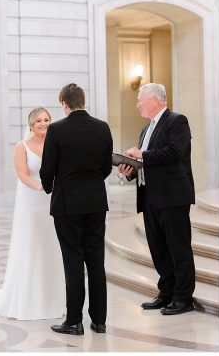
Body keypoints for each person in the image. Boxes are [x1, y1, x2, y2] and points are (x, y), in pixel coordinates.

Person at [39, 83, 113, 336]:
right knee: (96, 261)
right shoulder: (102, 127)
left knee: (73, 262)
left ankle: (74, 321)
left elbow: (47, 168)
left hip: (67, 204)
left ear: (64, 103)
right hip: (95, 203)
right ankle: (100, 320)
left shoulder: (57, 130)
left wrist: (50, 188)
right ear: (82, 101)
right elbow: (106, 167)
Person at [117, 84, 197, 316]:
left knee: (178, 248)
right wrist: (128, 168)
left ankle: (183, 298)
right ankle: (166, 293)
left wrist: (141, 155)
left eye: (140, 100)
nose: (138, 104)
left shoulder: (177, 121)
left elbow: (175, 152)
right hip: (149, 195)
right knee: (158, 249)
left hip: (173, 196)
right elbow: (146, 163)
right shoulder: (145, 129)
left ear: (154, 99)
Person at [0, 107, 65, 320]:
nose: (43, 123)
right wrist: (40, 187)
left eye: (47, 119)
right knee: (32, 246)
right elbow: (22, 174)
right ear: (31, 123)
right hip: (32, 203)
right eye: (39, 120)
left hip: (53, 202)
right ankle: (28, 300)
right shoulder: (22, 146)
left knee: (51, 247)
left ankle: (51, 298)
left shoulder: (55, 143)